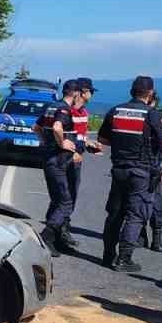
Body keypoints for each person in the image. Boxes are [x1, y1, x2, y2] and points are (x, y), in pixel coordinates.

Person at [101, 76, 162, 271]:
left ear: (132, 91)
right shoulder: (152, 114)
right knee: (136, 215)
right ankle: (124, 258)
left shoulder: (116, 111)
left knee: (115, 213)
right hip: (141, 172)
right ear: (150, 93)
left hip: (119, 170)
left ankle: (108, 255)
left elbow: (103, 139)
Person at [36, 80, 99, 253]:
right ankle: (46, 237)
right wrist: (61, 143)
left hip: (53, 158)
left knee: (58, 200)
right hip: (59, 160)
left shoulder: (51, 106)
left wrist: (45, 143)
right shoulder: (64, 109)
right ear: (77, 93)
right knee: (65, 202)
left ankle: (54, 240)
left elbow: (36, 126)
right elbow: (57, 127)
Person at [66, 79, 99, 243]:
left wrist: (88, 144)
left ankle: (63, 228)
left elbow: (80, 136)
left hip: (78, 158)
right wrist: (72, 153)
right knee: (64, 197)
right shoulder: (68, 111)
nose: (91, 94)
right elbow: (64, 135)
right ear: (84, 91)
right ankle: (56, 233)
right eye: (91, 91)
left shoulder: (84, 113)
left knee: (72, 194)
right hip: (66, 158)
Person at [140, 90, 162, 253]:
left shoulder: (147, 117)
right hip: (151, 166)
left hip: (144, 166)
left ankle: (150, 237)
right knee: (153, 203)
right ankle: (151, 238)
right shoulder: (155, 117)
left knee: (141, 202)